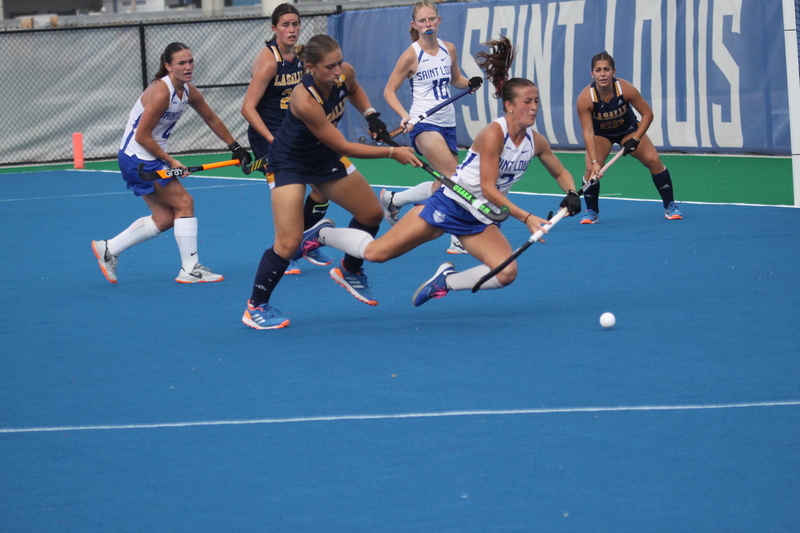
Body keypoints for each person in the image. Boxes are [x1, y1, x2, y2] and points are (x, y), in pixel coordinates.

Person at [301, 36, 582, 306]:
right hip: (451, 204)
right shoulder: (494, 134)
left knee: (506, 272)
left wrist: (571, 192)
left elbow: (559, 172)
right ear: (509, 106)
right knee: (376, 253)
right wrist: (527, 217)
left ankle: (445, 282)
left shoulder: (536, 141)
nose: (533, 107)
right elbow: (488, 189)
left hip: (480, 217)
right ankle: (321, 234)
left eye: (536, 101)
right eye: (527, 102)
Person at [242, 34, 422, 330]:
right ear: (310, 67)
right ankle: (255, 306)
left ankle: (349, 270)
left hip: (322, 157)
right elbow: (346, 147)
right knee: (287, 245)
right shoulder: (304, 99)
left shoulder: (343, 72)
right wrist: (392, 152)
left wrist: (371, 115)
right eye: (330, 67)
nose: (338, 70)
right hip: (289, 163)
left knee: (371, 214)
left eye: (339, 62)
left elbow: (354, 89)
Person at [92, 42, 250, 284]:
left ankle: (108, 248)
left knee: (166, 218)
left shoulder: (187, 90)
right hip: (140, 160)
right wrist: (172, 161)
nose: (188, 67)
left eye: (190, 61)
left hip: (147, 158)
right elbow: (142, 135)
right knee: (185, 203)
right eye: (181, 63)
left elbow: (210, 117)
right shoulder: (160, 92)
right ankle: (190, 269)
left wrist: (235, 147)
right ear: (168, 66)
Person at [382, 0, 482, 255]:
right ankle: (458, 237)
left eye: (431, 20)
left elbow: (456, 79)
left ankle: (395, 200)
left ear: (439, 20)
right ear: (414, 25)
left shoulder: (449, 49)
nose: (428, 25)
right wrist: (405, 115)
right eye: (422, 21)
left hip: (448, 123)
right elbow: (389, 91)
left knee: (443, 184)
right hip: (423, 123)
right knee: (456, 179)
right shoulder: (411, 55)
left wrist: (470, 82)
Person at [240, 3, 332, 275]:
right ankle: (286, 249)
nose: (291, 30)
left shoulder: (303, 58)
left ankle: (305, 240)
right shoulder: (269, 61)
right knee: (288, 197)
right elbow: (247, 108)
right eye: (285, 25)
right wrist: (272, 140)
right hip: (267, 137)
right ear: (274, 29)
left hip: (296, 134)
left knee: (322, 189)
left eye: (295, 24)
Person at [576, 51, 682, 223]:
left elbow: (648, 114)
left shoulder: (625, 89)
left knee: (654, 160)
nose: (602, 74)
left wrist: (637, 138)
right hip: (601, 135)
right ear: (592, 73)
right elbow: (588, 132)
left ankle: (670, 205)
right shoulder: (585, 99)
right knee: (590, 170)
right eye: (598, 70)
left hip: (628, 131)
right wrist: (595, 162)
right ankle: (591, 211)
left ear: (613, 71)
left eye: (606, 69)